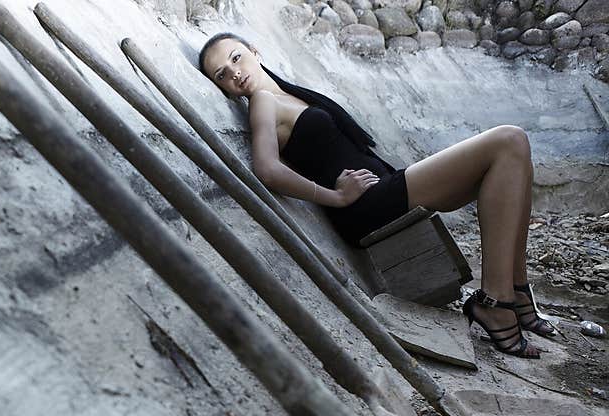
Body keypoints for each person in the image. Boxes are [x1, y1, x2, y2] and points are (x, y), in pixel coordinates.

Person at [199, 33, 556, 359]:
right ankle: (494, 301)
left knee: (515, 160)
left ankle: (516, 288)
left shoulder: (285, 93)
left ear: (255, 51)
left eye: (235, 58)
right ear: (225, 90)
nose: (233, 72)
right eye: (221, 75)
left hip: (384, 188)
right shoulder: (261, 101)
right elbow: (266, 168)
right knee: (509, 140)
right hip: (365, 207)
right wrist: (335, 197)